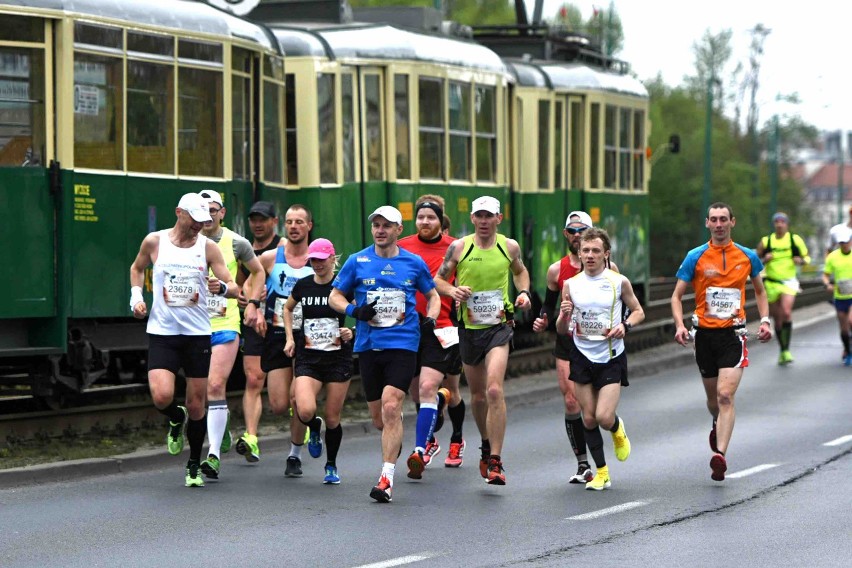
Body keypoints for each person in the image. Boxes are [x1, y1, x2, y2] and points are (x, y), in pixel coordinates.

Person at [329, 205, 440, 503]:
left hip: (403, 345)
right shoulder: (357, 261)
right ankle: (395, 430)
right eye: (376, 225)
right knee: (380, 419)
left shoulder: (413, 263)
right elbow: (334, 296)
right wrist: (354, 310)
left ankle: (386, 479)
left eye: (386, 226)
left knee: (392, 406)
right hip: (367, 346)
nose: (380, 230)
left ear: (398, 230)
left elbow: (433, 295)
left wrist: (430, 318)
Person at [129, 193, 239, 487]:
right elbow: (137, 268)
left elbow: (234, 287)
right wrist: (136, 298)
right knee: (162, 396)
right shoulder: (155, 242)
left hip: (197, 335)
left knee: (196, 404)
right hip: (163, 333)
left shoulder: (209, 248)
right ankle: (174, 417)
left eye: (204, 222)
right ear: (179, 213)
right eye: (194, 220)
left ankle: (193, 464)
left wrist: (221, 288)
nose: (198, 227)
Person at [671, 202, 772, 482]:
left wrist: (765, 320)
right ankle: (716, 422)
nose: (718, 224)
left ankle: (720, 456)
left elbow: (760, 292)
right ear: (707, 224)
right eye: (713, 219)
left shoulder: (747, 256)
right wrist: (680, 325)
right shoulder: (696, 256)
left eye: (723, 219)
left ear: (732, 222)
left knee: (726, 396)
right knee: (713, 399)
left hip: (733, 335)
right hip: (704, 336)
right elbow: (676, 296)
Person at [434, 195, 531, 485]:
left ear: (499, 219)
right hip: (469, 328)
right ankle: (486, 444)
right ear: (473, 219)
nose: (485, 221)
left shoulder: (509, 246)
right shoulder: (460, 247)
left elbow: (520, 272)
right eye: (480, 216)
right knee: (477, 396)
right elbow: (437, 280)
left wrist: (523, 292)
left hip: (499, 326)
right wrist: (452, 292)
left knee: (493, 390)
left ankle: (497, 462)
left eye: (490, 216)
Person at [555, 227, 644, 491]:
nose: (590, 255)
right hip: (581, 355)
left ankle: (617, 430)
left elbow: (639, 311)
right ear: (579, 254)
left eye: (596, 250)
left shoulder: (618, 282)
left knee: (604, 417)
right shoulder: (570, 285)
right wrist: (563, 315)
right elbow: (562, 329)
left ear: (606, 254)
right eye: (586, 250)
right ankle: (601, 473)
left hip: (610, 355)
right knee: (589, 418)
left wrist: (625, 326)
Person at [532, 211, 616, 485]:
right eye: (572, 231)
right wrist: (542, 318)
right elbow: (548, 304)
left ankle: (611, 430)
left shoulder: (610, 269)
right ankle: (583, 464)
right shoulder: (557, 270)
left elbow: (620, 303)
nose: (577, 235)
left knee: (594, 411)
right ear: (566, 235)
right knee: (571, 401)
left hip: (599, 345)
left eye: (583, 231)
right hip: (568, 342)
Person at [195, 190, 265, 480]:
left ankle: (212, 455)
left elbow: (258, 272)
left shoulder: (237, 243)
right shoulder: (185, 241)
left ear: (222, 212)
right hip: (193, 326)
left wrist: (250, 302)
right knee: (197, 393)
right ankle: (220, 430)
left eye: (214, 209)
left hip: (225, 323)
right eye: (204, 209)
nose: (209, 214)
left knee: (214, 385)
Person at [399, 195, 465, 477]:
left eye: (431, 218)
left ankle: (456, 439)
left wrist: (460, 295)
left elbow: (462, 281)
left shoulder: (454, 248)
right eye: (421, 217)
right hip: (410, 328)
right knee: (417, 391)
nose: (425, 222)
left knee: (451, 391)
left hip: (444, 326)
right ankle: (432, 434)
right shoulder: (403, 246)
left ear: (440, 221)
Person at [248, 204, 314, 477]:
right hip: (276, 334)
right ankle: (304, 420)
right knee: (278, 404)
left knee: (298, 399)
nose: (294, 226)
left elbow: (337, 288)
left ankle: (294, 455)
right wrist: (253, 304)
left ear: (309, 226)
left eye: (300, 221)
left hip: (308, 337)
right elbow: (251, 278)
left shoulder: (319, 258)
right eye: (290, 222)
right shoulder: (269, 258)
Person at [283, 238, 354, 484]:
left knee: (333, 417)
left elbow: (362, 313)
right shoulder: (303, 286)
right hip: (309, 358)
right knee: (304, 409)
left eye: (322, 260)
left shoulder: (344, 286)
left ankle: (331, 465)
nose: (318, 264)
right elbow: (287, 308)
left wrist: (351, 331)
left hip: (338, 359)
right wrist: (290, 338)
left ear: (333, 259)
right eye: (313, 260)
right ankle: (314, 426)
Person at [234, 201, 281, 463]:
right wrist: (244, 298)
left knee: (286, 390)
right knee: (253, 379)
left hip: (282, 324)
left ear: (274, 221)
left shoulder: (284, 249)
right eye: (253, 219)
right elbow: (238, 286)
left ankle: (303, 423)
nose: (258, 224)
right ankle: (251, 437)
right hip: (253, 322)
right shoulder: (245, 250)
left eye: (263, 219)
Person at [756, 212, 810, 365]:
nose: (780, 224)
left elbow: (807, 257)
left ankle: (786, 350)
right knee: (777, 319)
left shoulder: (794, 239)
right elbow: (755, 260)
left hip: (789, 282)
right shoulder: (766, 241)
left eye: (782, 222)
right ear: (774, 224)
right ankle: (783, 349)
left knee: (786, 312)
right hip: (771, 282)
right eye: (777, 222)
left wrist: (800, 260)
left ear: (787, 224)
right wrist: (764, 259)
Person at [822, 228, 852, 365]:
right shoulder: (833, 257)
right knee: (844, 329)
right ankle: (847, 349)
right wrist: (827, 284)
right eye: (841, 242)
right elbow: (825, 274)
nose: (844, 245)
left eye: (846, 242)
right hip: (840, 296)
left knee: (851, 321)